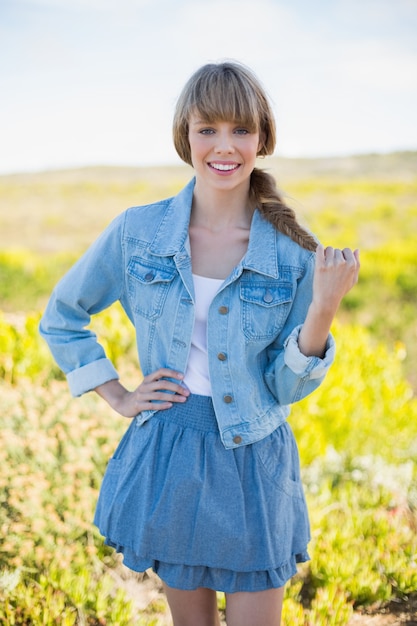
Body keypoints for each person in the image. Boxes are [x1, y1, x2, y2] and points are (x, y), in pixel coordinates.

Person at [40, 60, 360, 626]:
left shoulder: (292, 256)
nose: (224, 146)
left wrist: (323, 310)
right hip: (171, 447)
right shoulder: (138, 232)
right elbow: (63, 316)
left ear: (262, 138)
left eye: (240, 129)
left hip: (253, 458)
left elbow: (285, 386)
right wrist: (116, 394)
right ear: (184, 135)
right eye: (207, 128)